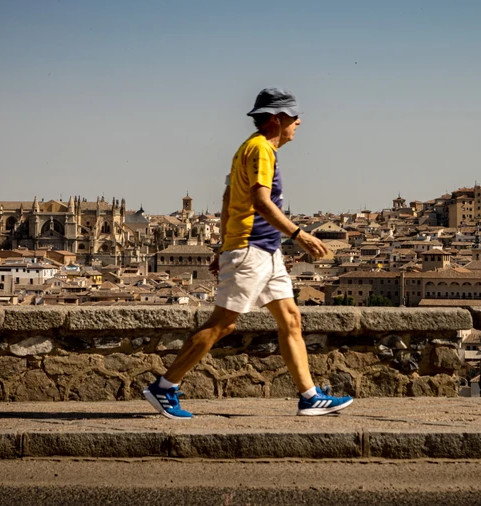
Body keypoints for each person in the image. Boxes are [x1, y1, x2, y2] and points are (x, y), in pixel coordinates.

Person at [143, 88, 353, 419]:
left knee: (291, 319)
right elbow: (261, 202)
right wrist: (300, 235)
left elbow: (228, 200)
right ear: (275, 120)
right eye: (292, 116)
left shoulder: (250, 149)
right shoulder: (260, 151)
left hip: (265, 252)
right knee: (223, 325)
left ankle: (310, 397)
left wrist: (223, 245)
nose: (299, 121)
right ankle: (164, 387)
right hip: (252, 250)